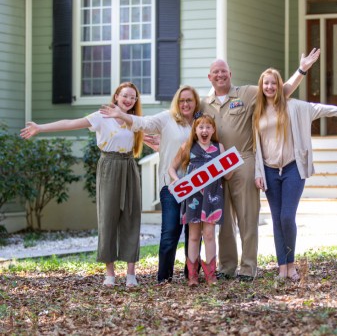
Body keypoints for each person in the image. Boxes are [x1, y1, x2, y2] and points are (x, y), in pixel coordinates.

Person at [201, 48, 321, 281]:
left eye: (223, 71)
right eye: (215, 72)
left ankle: (247, 268)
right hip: (216, 165)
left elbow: (280, 91)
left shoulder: (247, 93)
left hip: (243, 159)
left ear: (230, 74)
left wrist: (302, 70)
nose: (220, 75)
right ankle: (227, 267)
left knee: (247, 217)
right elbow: (187, 123)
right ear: (209, 77)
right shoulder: (204, 104)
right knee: (223, 219)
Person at [253, 68, 337, 280]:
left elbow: (328, 110)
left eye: (273, 83)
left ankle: (291, 264)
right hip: (269, 170)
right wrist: (258, 171)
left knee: (287, 216)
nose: (269, 87)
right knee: (276, 219)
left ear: (280, 85)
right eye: (266, 83)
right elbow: (256, 146)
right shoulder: (257, 111)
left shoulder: (295, 107)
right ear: (261, 86)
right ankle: (282, 267)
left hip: (293, 168)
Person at [20, 82, 144, 287]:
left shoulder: (134, 120)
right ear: (116, 97)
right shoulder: (101, 116)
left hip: (129, 166)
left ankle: (131, 273)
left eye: (133, 97)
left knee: (132, 216)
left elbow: (149, 135)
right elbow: (70, 123)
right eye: (125, 96)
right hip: (109, 165)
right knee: (108, 217)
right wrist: (40, 128)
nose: (129, 99)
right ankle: (110, 273)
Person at [100, 85, 200, 284]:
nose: (185, 104)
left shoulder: (202, 122)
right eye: (182, 101)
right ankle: (164, 278)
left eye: (189, 100)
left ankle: (192, 275)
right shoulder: (166, 118)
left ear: (196, 102)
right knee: (170, 232)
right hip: (171, 183)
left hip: (198, 184)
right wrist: (122, 114)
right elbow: (142, 123)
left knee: (194, 233)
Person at [168, 114, 233, 286]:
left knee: (210, 234)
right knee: (194, 236)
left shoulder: (219, 147)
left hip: (213, 196)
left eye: (208, 127)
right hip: (193, 197)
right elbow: (172, 168)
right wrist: (176, 180)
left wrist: (230, 166)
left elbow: (228, 175)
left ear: (213, 130)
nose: (204, 130)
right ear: (195, 131)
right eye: (200, 127)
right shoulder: (188, 146)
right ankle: (193, 275)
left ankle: (211, 274)